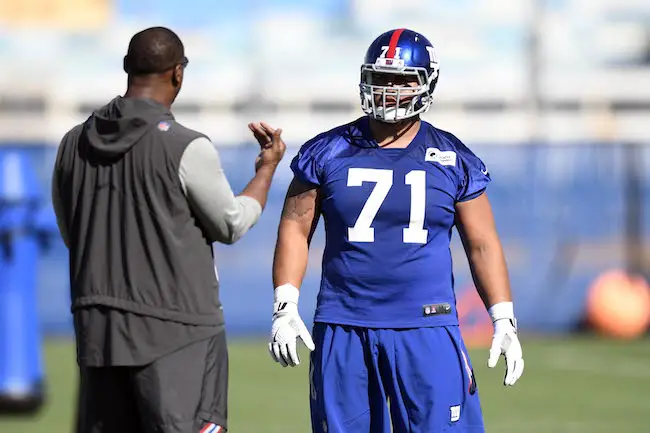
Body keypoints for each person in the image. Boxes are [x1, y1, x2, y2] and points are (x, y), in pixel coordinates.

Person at [268, 28, 524, 433]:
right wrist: (285, 305)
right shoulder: (327, 150)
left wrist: (504, 318)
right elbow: (295, 228)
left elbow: (482, 244)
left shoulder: (452, 156)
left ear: (427, 83)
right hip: (344, 323)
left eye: (402, 80)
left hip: (427, 325)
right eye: (382, 78)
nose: (389, 89)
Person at [51, 26, 286, 433]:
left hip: (98, 334)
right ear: (178, 74)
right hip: (178, 336)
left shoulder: (72, 143)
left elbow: (74, 234)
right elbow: (231, 223)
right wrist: (265, 170)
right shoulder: (185, 145)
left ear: (127, 68)